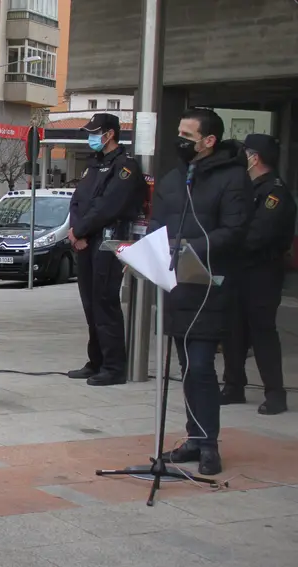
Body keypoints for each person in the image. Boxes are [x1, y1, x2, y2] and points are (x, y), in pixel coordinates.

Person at [153, 108, 250, 476]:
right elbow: (158, 222)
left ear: (209, 141)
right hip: (178, 286)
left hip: (210, 285)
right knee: (187, 366)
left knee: (202, 364)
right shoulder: (174, 178)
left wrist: (189, 245)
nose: (181, 141)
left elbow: (235, 230)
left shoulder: (233, 178)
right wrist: (158, 245)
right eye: (179, 132)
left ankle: (208, 443)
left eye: (188, 136)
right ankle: (193, 437)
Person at [67, 113, 148, 386]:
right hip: (86, 242)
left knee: (105, 303)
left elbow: (109, 206)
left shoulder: (125, 167)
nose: (91, 137)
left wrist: (81, 231)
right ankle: (96, 361)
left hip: (108, 241)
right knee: (90, 305)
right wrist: (77, 231)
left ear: (110, 134)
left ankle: (113, 367)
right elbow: (78, 201)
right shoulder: (93, 166)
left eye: (95, 132)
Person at [221, 134, 296, 416]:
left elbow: (257, 236)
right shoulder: (248, 188)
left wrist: (226, 242)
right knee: (233, 330)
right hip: (238, 271)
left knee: (262, 332)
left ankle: (275, 394)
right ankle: (233, 385)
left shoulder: (274, 193)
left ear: (255, 157)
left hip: (262, 273)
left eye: (245, 153)